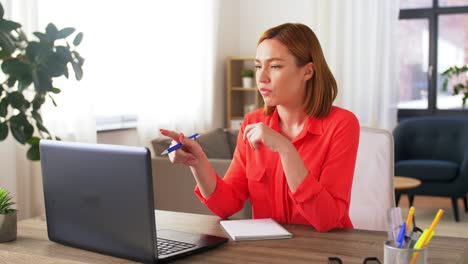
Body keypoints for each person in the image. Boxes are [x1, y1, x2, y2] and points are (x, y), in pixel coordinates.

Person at [160, 23, 359, 232]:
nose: (262, 78)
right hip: (267, 250)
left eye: (275, 66)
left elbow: (326, 220)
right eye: (257, 66)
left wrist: (285, 149)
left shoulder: (342, 124)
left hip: (328, 250)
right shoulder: (252, 123)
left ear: (307, 71)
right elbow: (227, 205)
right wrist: (197, 162)